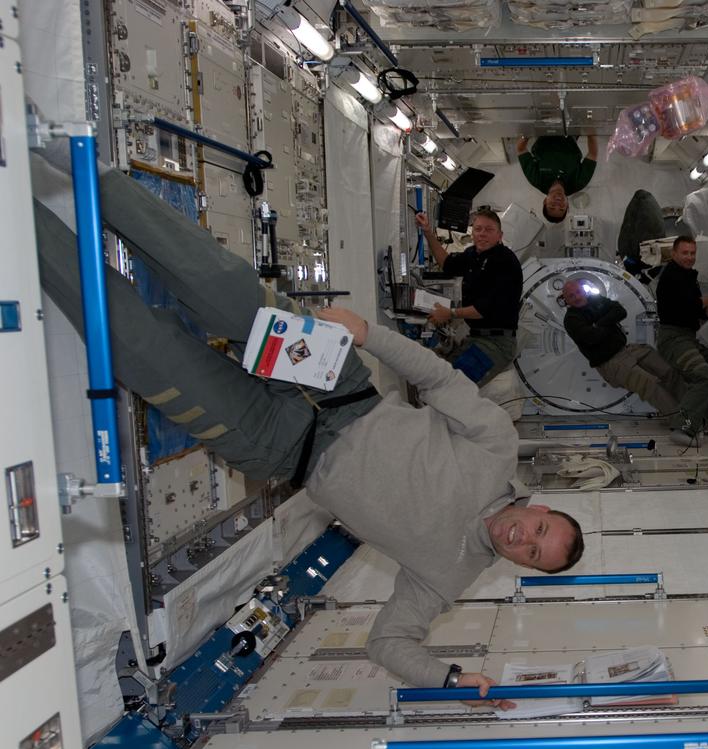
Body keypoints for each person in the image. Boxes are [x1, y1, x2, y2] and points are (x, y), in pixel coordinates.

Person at [29, 151, 583, 706]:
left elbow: (389, 643)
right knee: (207, 279)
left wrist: (450, 679)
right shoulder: (496, 447)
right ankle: (69, 159)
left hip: (279, 446)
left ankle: (23, 222)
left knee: (140, 349)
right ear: (539, 509)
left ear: (518, 567)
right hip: (335, 381)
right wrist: (367, 334)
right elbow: (438, 379)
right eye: (539, 532)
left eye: (533, 555)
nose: (523, 541)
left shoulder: (445, 576)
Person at [416, 206, 523, 387]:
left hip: (496, 344)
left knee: (452, 387)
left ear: (500, 235)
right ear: (472, 233)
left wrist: (449, 313)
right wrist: (427, 232)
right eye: (478, 229)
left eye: (489, 230)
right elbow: (447, 263)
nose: (482, 234)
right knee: (439, 377)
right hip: (476, 337)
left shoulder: (505, 261)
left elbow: (484, 310)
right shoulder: (473, 255)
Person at [560, 276, 683, 415]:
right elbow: (592, 337)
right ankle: (683, 422)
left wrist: (598, 324)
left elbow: (621, 311)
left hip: (627, 349)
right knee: (650, 385)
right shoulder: (571, 319)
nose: (577, 297)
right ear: (566, 301)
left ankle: (693, 407)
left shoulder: (596, 300)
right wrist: (609, 322)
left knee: (667, 371)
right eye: (571, 296)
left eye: (578, 292)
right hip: (611, 363)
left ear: (583, 290)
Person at [655, 236, 708, 442]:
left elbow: (700, 313)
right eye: (685, 253)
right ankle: (683, 427)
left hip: (687, 338)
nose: (689, 257)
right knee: (704, 377)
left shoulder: (688, 277)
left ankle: (701, 419)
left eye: (693, 253)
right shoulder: (672, 276)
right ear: (674, 254)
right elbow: (692, 305)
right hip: (674, 340)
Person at [517, 135, 598, 224]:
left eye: (552, 206)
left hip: (542, 132)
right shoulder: (579, 182)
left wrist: (527, 131)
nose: (558, 203)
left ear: (545, 201)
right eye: (562, 208)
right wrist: (590, 131)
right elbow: (592, 154)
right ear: (567, 205)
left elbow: (521, 150)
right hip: (570, 133)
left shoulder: (536, 179)